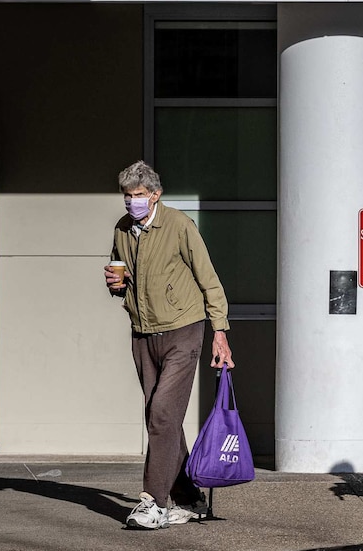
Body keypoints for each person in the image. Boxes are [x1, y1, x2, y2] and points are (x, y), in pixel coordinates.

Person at [104, 160, 234, 530]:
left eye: (139, 196)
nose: (132, 203)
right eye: (127, 196)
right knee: (161, 419)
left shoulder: (178, 226)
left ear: (156, 195)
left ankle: (153, 502)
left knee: (162, 415)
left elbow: (209, 279)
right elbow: (122, 276)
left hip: (182, 329)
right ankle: (190, 498)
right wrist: (116, 286)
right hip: (143, 332)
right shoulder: (123, 229)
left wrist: (219, 332)